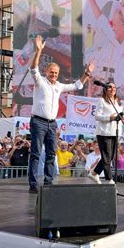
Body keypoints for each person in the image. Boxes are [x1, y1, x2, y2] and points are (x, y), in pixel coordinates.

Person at [28, 35, 94, 193]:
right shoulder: (40, 81)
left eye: (56, 73)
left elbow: (77, 85)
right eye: (52, 72)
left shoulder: (58, 85)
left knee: (52, 153)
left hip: (52, 123)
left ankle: (49, 182)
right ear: (46, 71)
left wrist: (87, 73)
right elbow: (33, 69)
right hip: (38, 121)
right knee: (36, 153)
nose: (54, 75)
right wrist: (38, 51)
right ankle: (33, 184)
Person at [88, 82, 123, 184]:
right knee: (106, 157)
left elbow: (120, 114)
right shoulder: (102, 101)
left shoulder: (118, 102)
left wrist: (122, 116)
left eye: (114, 87)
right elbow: (97, 116)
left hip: (115, 132)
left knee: (110, 157)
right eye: (110, 87)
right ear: (106, 90)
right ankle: (109, 180)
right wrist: (109, 118)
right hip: (104, 132)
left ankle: (94, 173)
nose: (112, 89)